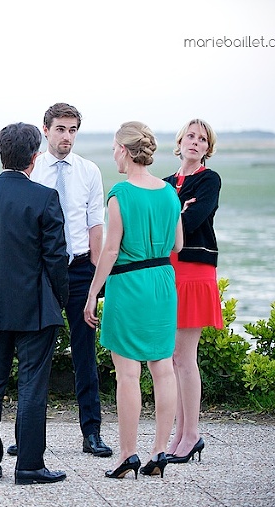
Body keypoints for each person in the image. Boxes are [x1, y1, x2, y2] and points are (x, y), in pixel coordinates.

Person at [0, 122, 70, 485]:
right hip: (36, 307)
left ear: (0, 151)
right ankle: (30, 466)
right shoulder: (44, 198)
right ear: (35, 157)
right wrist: (60, 300)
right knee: (32, 386)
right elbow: (56, 259)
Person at [9, 103, 111, 458]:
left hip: (81, 269)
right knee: (35, 356)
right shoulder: (32, 172)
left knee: (86, 354)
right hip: (40, 272)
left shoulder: (89, 171)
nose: (66, 137)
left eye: (72, 130)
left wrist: (97, 282)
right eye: (61, 129)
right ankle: (25, 437)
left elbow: (95, 223)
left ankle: (92, 434)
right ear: (46, 129)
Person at [83, 121, 183, 479]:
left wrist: (93, 293)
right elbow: (177, 246)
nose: (113, 154)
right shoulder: (169, 193)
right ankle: (160, 452)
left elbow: (110, 249)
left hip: (128, 284)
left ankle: (128, 454)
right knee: (163, 368)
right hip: (162, 283)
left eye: (114, 147)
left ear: (124, 150)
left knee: (128, 373)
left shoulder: (120, 193)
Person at [164, 119, 223, 464]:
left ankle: (192, 434)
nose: (196, 142)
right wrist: (176, 209)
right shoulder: (168, 182)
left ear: (207, 148)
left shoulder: (209, 179)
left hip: (195, 272)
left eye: (202, 139)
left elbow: (193, 219)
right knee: (172, 357)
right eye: (191, 136)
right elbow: (164, 222)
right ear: (181, 141)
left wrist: (175, 213)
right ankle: (180, 433)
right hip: (167, 271)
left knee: (184, 357)